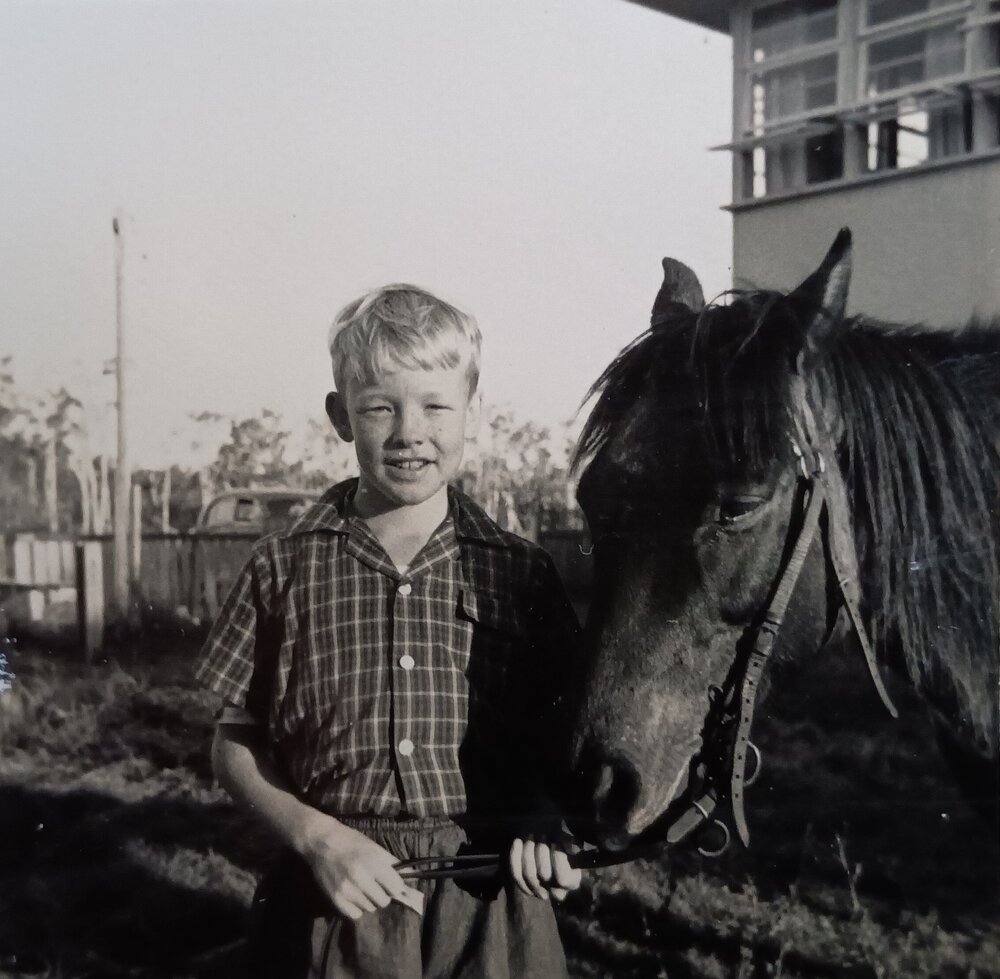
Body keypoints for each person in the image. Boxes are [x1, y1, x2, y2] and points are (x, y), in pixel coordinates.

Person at [195, 284, 582, 978]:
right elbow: (233, 745)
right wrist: (315, 838)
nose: (410, 431)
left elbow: (565, 738)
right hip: (331, 897)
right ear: (341, 416)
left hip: (493, 910)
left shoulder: (521, 573)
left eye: (435, 405)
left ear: (470, 410)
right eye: (380, 407)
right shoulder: (281, 567)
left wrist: (545, 819)